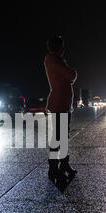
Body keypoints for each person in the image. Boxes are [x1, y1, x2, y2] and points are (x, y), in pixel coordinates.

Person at [44, 35, 78, 182]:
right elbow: (71, 75)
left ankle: (63, 165)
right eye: (62, 46)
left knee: (62, 138)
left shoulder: (57, 60)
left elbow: (69, 76)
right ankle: (53, 169)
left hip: (63, 104)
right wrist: (72, 72)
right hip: (58, 104)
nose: (63, 49)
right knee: (57, 138)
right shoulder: (52, 59)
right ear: (58, 48)